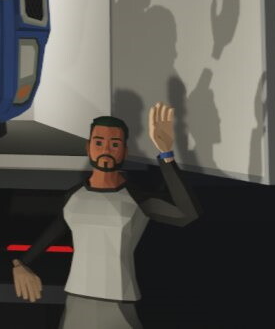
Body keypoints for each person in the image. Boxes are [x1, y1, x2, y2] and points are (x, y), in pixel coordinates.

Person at [11, 102, 201, 329]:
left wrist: (166, 154)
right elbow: (50, 235)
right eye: (99, 142)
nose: (106, 149)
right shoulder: (74, 196)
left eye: (115, 144)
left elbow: (186, 214)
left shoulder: (137, 198)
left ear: (124, 152)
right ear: (88, 147)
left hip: (120, 303)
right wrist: (20, 265)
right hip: (77, 302)